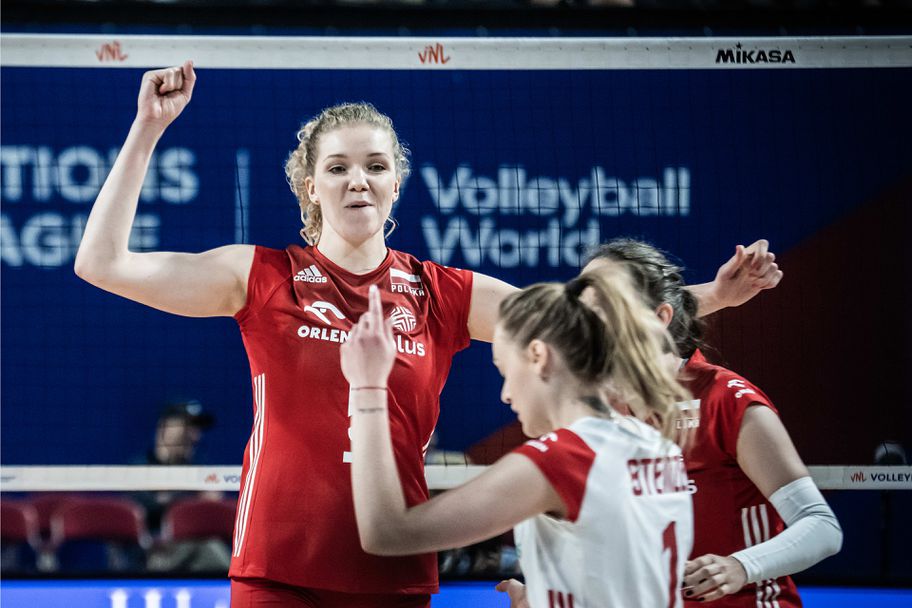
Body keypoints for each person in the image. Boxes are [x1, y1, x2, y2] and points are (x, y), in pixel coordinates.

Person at [74, 60, 779, 605]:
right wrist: (148, 129)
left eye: (375, 167)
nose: (358, 181)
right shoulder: (261, 276)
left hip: (395, 567)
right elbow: (101, 264)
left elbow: (589, 320)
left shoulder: (441, 292)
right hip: (277, 566)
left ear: (395, 184)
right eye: (338, 168)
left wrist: (713, 296)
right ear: (310, 187)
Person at [344, 278, 693, 608]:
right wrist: (545, 594)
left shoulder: (564, 459)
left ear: (539, 356)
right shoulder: (656, 444)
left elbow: (387, 532)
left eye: (505, 370)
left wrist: (367, 387)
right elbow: (621, 567)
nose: (506, 394)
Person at [583, 238, 842, 607]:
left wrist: (740, 566)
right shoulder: (598, 414)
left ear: (660, 318)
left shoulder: (726, 400)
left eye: (603, 308)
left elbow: (821, 527)